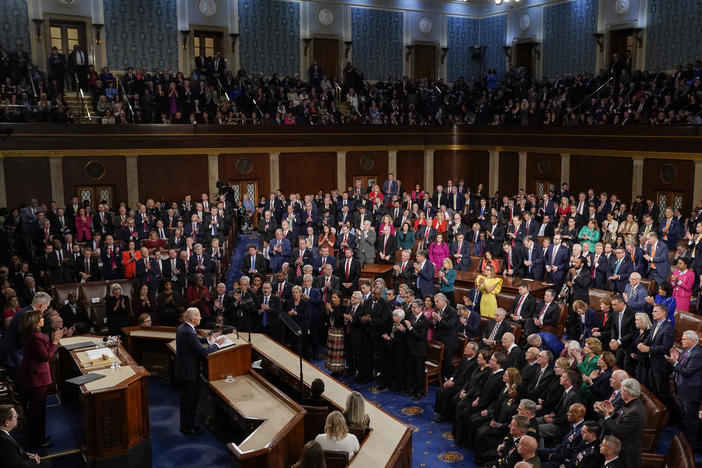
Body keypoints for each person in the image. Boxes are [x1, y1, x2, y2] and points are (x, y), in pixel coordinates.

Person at [175, 307, 226, 435]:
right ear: (193, 318)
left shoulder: (184, 328)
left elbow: (195, 342)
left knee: (186, 401)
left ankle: (186, 425)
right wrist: (217, 345)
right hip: (189, 373)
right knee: (190, 401)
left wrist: (209, 340)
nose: (201, 318)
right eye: (198, 316)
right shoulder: (188, 331)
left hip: (184, 371)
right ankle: (187, 428)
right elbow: (203, 351)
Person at [20, 308, 64, 448]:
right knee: (38, 411)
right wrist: (55, 342)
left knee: (38, 410)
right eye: (41, 318)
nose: (43, 319)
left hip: (34, 376)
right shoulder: (36, 337)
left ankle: (39, 436)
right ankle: (38, 441)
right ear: (35, 322)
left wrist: (51, 341)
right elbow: (45, 357)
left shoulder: (32, 335)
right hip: (37, 378)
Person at [596, 378, 646, 468]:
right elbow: (622, 420)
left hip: (626, 453)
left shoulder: (635, 411)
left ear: (627, 392)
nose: (620, 393)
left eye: (622, 390)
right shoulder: (631, 404)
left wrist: (606, 415)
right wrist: (612, 412)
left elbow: (618, 431)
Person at [665, 330, 702, 450]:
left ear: (692, 340)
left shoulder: (698, 353)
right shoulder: (687, 350)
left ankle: (693, 445)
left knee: (692, 420)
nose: (681, 341)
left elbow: (687, 372)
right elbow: (682, 367)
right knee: (685, 417)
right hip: (683, 390)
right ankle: (686, 441)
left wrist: (675, 362)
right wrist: (676, 360)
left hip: (692, 393)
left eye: (684, 339)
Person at [324, 291, 345, 375]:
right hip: (331, 331)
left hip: (338, 332)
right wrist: (327, 310)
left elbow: (338, 318)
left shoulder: (343, 307)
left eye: (335, 297)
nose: (333, 299)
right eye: (332, 297)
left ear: (339, 299)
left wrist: (331, 310)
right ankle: (333, 369)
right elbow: (327, 317)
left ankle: (339, 370)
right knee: (331, 352)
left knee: (337, 353)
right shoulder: (332, 306)